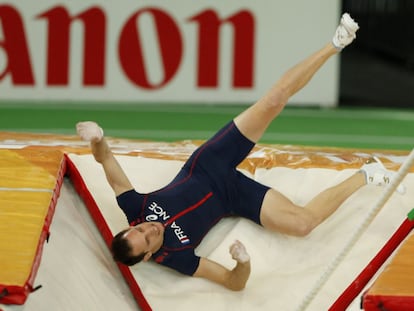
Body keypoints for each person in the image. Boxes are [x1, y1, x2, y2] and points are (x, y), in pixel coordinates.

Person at [76, 13, 402, 291]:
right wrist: (241, 263)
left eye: (140, 228)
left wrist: (96, 139)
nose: (149, 228)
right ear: (147, 256)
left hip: (208, 164)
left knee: (272, 101)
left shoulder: (136, 206)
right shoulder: (178, 256)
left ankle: (336, 43)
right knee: (302, 224)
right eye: (146, 239)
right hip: (232, 196)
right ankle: (367, 173)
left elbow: (106, 160)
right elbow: (233, 283)